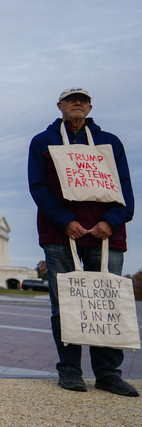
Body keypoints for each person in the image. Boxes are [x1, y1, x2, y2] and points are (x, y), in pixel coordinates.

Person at [28, 87, 137, 396]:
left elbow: (125, 190)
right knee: (65, 305)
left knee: (107, 305)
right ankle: (70, 369)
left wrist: (111, 222)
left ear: (90, 107)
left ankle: (107, 372)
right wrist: (65, 221)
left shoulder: (110, 143)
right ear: (59, 105)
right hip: (61, 234)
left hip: (107, 236)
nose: (77, 103)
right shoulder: (43, 142)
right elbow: (38, 188)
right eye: (71, 99)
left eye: (83, 100)